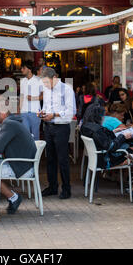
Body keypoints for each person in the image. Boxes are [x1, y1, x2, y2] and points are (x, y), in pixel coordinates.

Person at [0, 101, 37, 214]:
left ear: (4, 113)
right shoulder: (7, 123)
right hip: (17, 162)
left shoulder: (9, 124)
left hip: (21, 166)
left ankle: (14, 197)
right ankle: (12, 196)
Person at [39, 67, 76, 199]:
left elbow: (71, 112)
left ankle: (66, 189)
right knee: (50, 158)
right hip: (48, 127)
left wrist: (54, 115)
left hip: (61, 127)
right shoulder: (47, 90)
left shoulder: (66, 89)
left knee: (63, 159)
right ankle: (52, 186)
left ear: (54, 77)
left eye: (47, 83)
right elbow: (46, 107)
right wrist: (42, 113)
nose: (46, 86)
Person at [19, 60, 43, 140]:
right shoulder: (22, 81)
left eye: (23, 68)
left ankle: (36, 153)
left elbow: (43, 95)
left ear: (29, 69)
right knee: (25, 137)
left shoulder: (39, 80)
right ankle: (27, 152)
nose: (21, 70)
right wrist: (19, 109)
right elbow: (21, 96)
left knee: (35, 137)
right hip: (24, 112)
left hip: (35, 112)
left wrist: (33, 98)